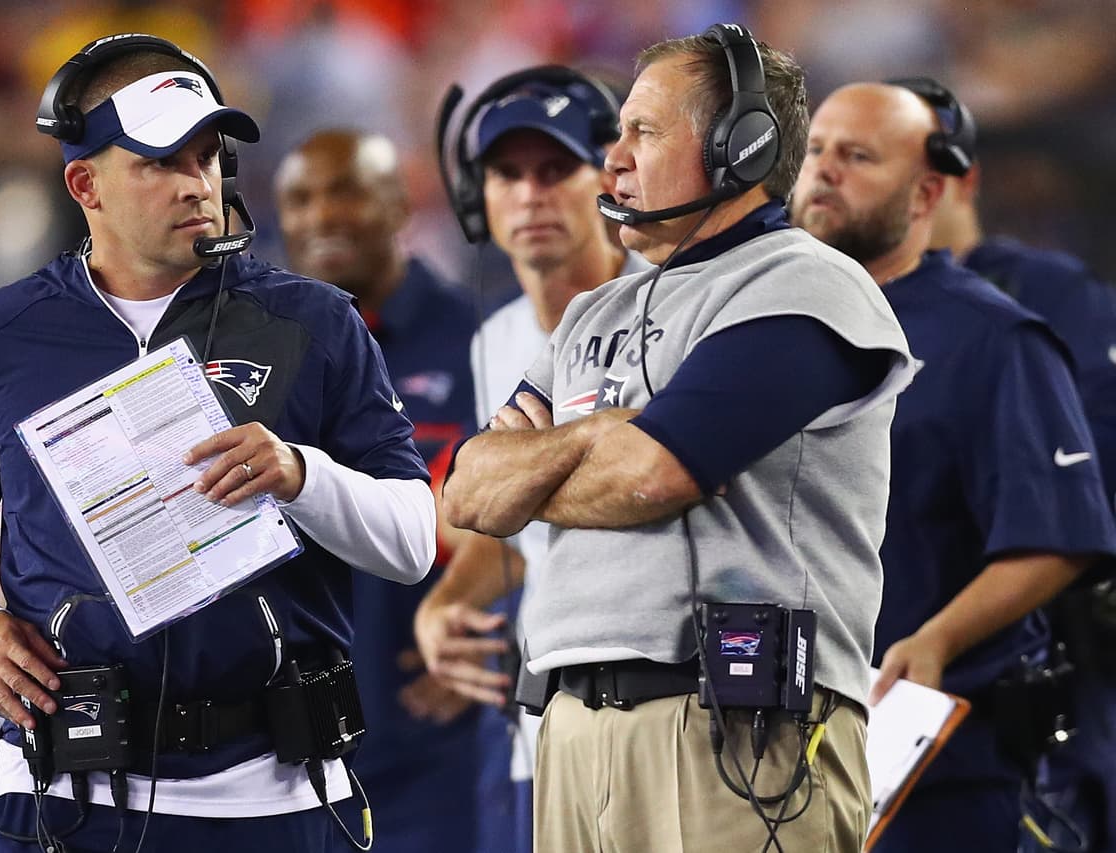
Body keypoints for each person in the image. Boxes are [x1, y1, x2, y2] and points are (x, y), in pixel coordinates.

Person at [0, 35, 436, 853]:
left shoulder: (314, 320)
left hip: (274, 797)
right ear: (85, 184)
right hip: (62, 795)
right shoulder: (0, 331)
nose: (198, 183)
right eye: (161, 161)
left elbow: (413, 540)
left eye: (209, 155)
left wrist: (299, 475)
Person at [444, 25, 915, 852]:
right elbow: (472, 493)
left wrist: (556, 463)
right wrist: (603, 434)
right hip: (568, 726)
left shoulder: (807, 283)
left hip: (733, 728)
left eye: (643, 132)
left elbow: (656, 474)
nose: (613, 157)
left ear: (743, 147)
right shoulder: (593, 310)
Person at [790, 80, 1116, 853]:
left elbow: (1059, 533)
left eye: (859, 156)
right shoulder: (766, 329)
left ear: (929, 190)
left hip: (939, 759)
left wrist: (937, 638)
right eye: (816, 151)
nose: (827, 170)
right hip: (777, 754)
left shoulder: (991, 335)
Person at [413, 64, 645, 853]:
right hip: (539, 724)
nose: (529, 195)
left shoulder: (673, 310)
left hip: (663, 712)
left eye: (555, 170)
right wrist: (448, 599)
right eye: (506, 174)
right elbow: (512, 525)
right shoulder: (497, 339)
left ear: (609, 182)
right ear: (477, 199)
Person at [273, 128, 512, 853]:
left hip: (438, 746)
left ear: (402, 201)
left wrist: (501, 630)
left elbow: (527, 518)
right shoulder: (262, 350)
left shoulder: (480, 340)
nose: (322, 216)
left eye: (346, 190)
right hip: (290, 745)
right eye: (300, 198)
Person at [915, 76, 1116, 853]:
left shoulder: (1043, 294)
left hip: (1036, 682)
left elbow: (1087, 482)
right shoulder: (839, 312)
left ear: (961, 176)